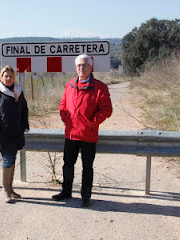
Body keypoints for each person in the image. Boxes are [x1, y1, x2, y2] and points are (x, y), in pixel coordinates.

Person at [52, 54, 113, 207]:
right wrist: (67, 120)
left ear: (91, 67)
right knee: (67, 165)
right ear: (76, 67)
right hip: (71, 134)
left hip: (88, 135)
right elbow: (62, 106)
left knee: (87, 167)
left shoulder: (100, 87)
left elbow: (107, 110)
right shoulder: (69, 85)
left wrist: (92, 123)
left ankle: (86, 196)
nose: (81, 68)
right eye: (79, 65)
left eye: (85, 65)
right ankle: (66, 191)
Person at [0, 65, 29, 203]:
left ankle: (10, 189)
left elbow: (24, 110)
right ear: (1, 77)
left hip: (16, 134)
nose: (8, 78)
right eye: (6, 76)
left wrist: (23, 126)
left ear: (14, 77)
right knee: (8, 160)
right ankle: (5, 190)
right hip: (3, 135)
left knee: (12, 160)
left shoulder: (18, 92)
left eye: (11, 76)